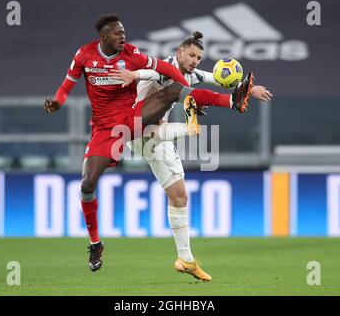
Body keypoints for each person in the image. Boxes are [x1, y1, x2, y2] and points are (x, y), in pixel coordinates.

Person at [43, 14, 253, 274]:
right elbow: (67, 86)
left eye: (124, 32)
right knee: (87, 183)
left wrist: (191, 89)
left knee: (173, 101)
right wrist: (58, 102)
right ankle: (96, 243)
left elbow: (186, 74)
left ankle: (229, 104)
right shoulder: (85, 56)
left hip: (134, 118)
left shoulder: (133, 53)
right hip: (108, 129)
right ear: (104, 36)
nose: (123, 36)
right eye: (117, 33)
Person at [109, 31, 272, 281]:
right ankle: (189, 123)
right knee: (175, 110)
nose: (196, 60)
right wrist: (134, 74)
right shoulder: (166, 69)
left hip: (153, 136)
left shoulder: (190, 74)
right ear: (179, 53)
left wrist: (249, 89)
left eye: (199, 57)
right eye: (192, 55)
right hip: (136, 127)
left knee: (179, 195)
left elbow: (215, 78)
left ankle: (185, 259)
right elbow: (151, 73)